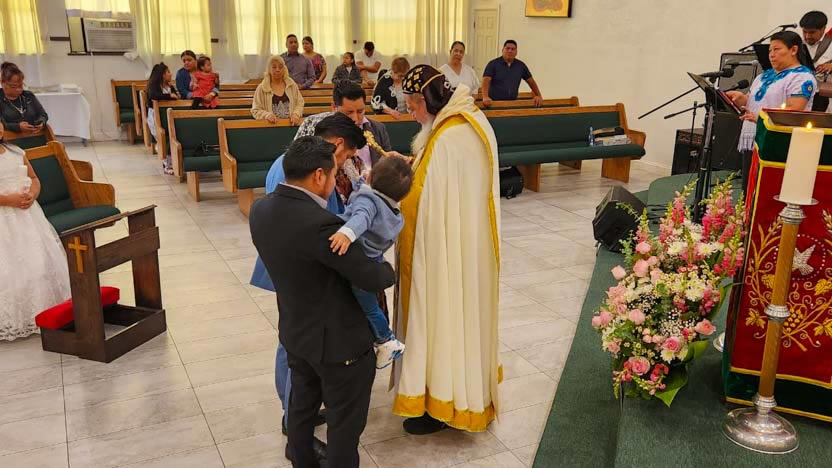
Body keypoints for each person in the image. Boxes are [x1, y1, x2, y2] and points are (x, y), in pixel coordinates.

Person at [250, 134, 395, 468]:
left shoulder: (261, 209)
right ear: (318, 175)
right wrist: (388, 268)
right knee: (344, 426)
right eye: (333, 174)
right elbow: (370, 277)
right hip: (339, 346)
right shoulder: (321, 225)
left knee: (301, 411)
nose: (334, 180)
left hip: (296, 333)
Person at [392, 65, 501, 435]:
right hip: (457, 246)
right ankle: (447, 395)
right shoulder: (461, 123)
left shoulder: (452, 136)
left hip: (445, 253)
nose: (410, 113)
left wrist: (392, 190)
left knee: (441, 318)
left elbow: (423, 198)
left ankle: (443, 403)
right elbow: (437, 184)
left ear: (427, 100)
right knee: (453, 320)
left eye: (412, 105)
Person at [329, 156, 412, 368]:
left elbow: (362, 217)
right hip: (374, 259)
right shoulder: (393, 211)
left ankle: (386, 340)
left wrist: (346, 233)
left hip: (359, 261)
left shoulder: (368, 202)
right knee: (371, 304)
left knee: (368, 307)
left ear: (372, 177)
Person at [0, 120, 71, 341]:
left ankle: (43, 308)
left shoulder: (16, 151)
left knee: (37, 260)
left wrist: (32, 194)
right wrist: (8, 200)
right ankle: (13, 318)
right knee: (8, 268)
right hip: (4, 218)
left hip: (28, 216)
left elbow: (33, 178)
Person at [726, 31, 817, 189]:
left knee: (769, 187)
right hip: (754, 137)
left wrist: (760, 118)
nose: (771, 55)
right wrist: (741, 98)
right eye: (770, 50)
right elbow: (753, 101)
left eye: (777, 49)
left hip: (778, 140)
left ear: (793, 50)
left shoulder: (802, 77)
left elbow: (794, 110)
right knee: (749, 188)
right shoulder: (764, 76)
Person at [481, 40, 543, 107]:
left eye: (513, 49)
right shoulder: (493, 64)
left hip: (512, 103)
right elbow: (486, 80)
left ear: (516, 52)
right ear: (502, 50)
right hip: (494, 103)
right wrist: (485, 97)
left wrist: (538, 95)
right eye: (507, 48)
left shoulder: (521, 66)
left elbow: (531, 81)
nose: (510, 51)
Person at [146, 63, 181, 174]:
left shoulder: (170, 87)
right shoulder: (154, 87)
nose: (171, 74)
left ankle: (175, 162)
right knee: (163, 139)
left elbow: (176, 97)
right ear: (162, 75)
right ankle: (167, 164)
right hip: (156, 118)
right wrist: (169, 96)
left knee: (173, 138)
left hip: (169, 117)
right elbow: (153, 96)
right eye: (168, 72)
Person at [251, 55, 304, 126]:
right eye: (274, 67)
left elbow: (300, 103)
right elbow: (255, 110)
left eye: (280, 67)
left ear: (284, 69)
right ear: (269, 70)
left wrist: (296, 114)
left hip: (291, 125)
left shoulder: (292, 85)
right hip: (270, 127)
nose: (277, 70)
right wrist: (266, 115)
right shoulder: (261, 88)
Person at [0, 63, 49, 133]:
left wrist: (41, 122)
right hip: (10, 138)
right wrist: (17, 126)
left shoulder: (28, 96)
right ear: (2, 83)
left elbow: (43, 115)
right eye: (13, 86)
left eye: (21, 85)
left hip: (35, 135)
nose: (18, 89)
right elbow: (1, 125)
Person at [800, 10, 832, 111]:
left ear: (823, 29)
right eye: (804, 32)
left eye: (812, 32)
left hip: (824, 93)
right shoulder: (798, 44)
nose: (807, 36)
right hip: (802, 91)